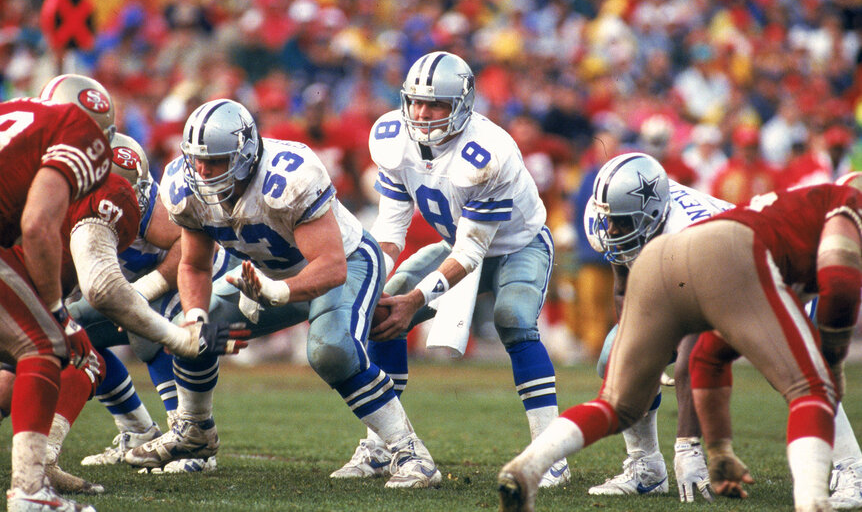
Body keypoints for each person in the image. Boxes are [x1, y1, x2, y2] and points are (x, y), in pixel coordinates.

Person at [124, 98, 442, 488]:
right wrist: (196, 317)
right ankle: (194, 430)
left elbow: (330, 265)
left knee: (330, 350)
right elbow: (193, 265)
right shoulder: (183, 186)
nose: (202, 170)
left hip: (346, 263)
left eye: (217, 161)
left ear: (244, 156)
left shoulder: (289, 177)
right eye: (196, 159)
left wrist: (277, 291)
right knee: (188, 333)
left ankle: (410, 452)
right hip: (267, 278)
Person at [498, 182, 859, 512]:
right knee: (810, 383)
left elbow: (707, 356)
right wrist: (833, 359)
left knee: (616, 404)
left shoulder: (669, 213)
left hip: (678, 258)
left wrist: (717, 449)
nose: (612, 231)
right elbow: (841, 285)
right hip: (733, 257)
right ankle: (818, 498)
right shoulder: (848, 203)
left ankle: (529, 466)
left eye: (620, 224)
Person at [336, 51, 569, 487]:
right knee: (387, 306)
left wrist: (417, 301)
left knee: (514, 321)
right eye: (417, 102)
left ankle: (550, 453)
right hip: (454, 245)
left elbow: (472, 251)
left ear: (461, 105)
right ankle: (381, 446)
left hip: (517, 246)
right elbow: (390, 227)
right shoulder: (391, 137)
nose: (423, 114)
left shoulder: (487, 152)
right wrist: (376, 283)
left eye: (436, 105)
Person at [688, 171, 862, 509]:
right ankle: (848, 468)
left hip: (752, 253)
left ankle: (850, 469)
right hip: (757, 255)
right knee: (803, 367)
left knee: (806, 370)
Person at [71, 133, 231, 474]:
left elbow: (190, 252)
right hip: (135, 287)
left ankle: (189, 437)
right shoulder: (63, 202)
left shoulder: (148, 207)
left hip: (193, 280)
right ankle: (138, 430)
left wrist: (142, 291)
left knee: (149, 330)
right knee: (70, 331)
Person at [583, 152, 732, 502]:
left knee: (794, 368)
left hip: (743, 276)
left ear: (650, 215)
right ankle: (646, 467)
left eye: (621, 222)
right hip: (680, 280)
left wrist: (688, 448)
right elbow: (623, 288)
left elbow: (694, 358)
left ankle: (847, 464)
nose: (612, 230)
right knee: (614, 358)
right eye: (610, 221)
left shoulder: (694, 236)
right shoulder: (607, 219)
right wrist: (638, 356)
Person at [0, 73, 114, 512]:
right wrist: (59, 314)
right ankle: (30, 490)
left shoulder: (17, 111)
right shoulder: (79, 130)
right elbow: (36, 224)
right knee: (43, 345)